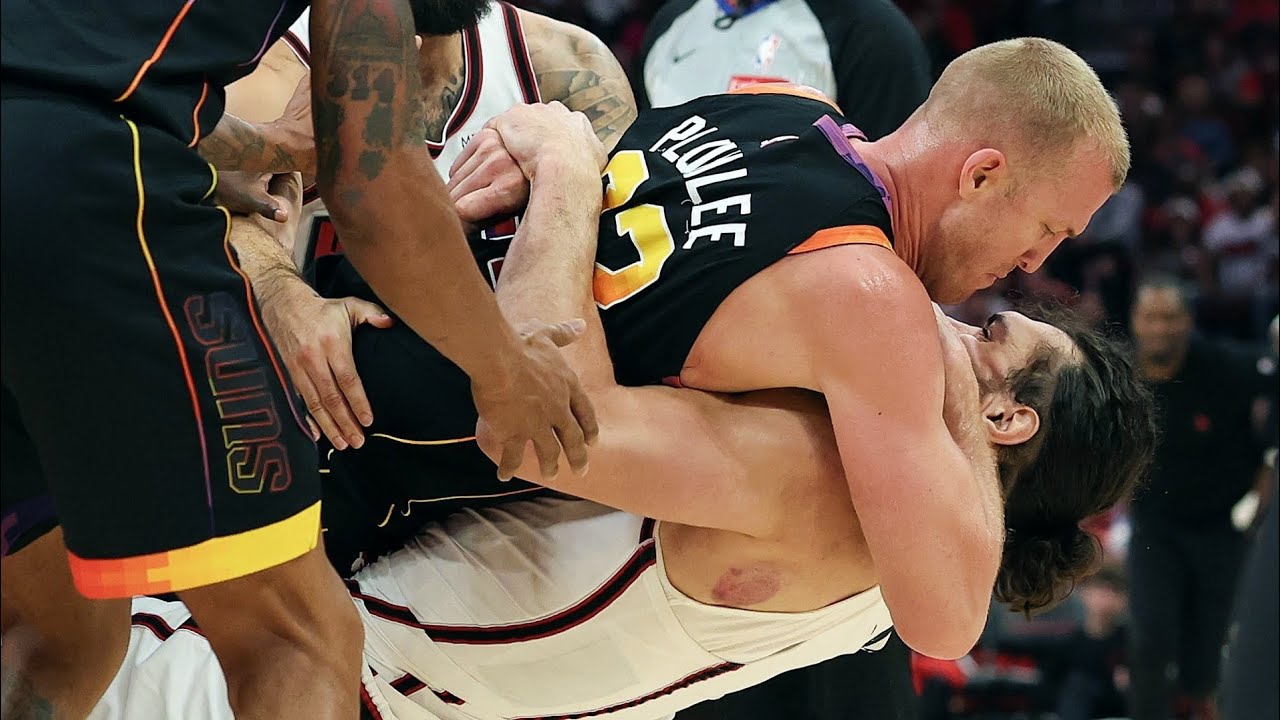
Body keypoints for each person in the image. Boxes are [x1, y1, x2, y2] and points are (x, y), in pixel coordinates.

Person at [85, 134, 1156, 718]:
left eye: (987, 340)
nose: (953, 317)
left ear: (1005, 420)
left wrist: (566, 167)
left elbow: (548, 424)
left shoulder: (823, 474)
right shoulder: (895, 526)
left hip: (295, 676)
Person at [439, 38, 1131, 661]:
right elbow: (948, 624)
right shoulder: (870, 297)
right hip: (401, 442)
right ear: (980, 175)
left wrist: (563, 159)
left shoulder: (779, 101)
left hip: (398, 298)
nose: (1034, 262)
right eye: (1046, 227)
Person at [0, 2, 594, 719]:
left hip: (50, 152)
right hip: (77, 188)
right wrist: (505, 370)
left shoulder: (567, 55)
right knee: (298, 639)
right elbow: (375, 189)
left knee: (59, 635)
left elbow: (59, 53)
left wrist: (250, 144)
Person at [218, 0, 637, 453]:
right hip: (324, 431)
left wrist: (562, 166)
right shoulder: (270, 70)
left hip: (512, 425)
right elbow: (191, 216)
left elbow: (643, 268)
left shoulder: (569, 67)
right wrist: (279, 291)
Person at [1126, 276, 1275, 720]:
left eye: (1170, 317)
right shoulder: (1120, 375)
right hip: (1155, 525)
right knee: (1151, 636)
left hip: (1220, 526)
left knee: (1208, 649)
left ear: (1188, 322)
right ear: (1134, 321)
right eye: (1151, 317)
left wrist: (1270, 465)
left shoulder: (1225, 367)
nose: (1160, 328)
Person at [635, 0, 932, 142]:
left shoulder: (872, 31)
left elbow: (896, 191)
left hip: (803, 255)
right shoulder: (670, 23)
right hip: (668, 253)